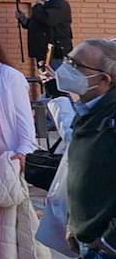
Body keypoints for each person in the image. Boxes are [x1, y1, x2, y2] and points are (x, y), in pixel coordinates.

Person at [0, 25, 39, 259]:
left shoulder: (8, 76)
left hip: (2, 163)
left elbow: (25, 128)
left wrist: (21, 156)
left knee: (2, 233)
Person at [59, 38, 116, 259]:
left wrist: (109, 241)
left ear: (104, 79)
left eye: (76, 65)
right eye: (67, 60)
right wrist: (73, 225)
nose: (66, 68)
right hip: (87, 239)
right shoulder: (89, 112)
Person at [16, 0, 73, 96]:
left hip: (54, 54)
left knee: (57, 87)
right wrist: (23, 19)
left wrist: (37, 6)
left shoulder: (60, 5)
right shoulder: (43, 6)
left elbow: (48, 20)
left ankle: (63, 111)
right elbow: (34, 25)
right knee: (48, 85)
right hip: (42, 54)